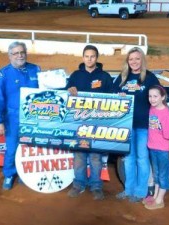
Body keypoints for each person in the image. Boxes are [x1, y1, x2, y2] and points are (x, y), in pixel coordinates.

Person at [0, 41, 41, 190]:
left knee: (29, 147)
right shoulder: (2, 75)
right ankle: (9, 174)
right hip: (12, 118)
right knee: (12, 148)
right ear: (9, 55)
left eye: (22, 52)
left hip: (33, 117)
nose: (20, 56)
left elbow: (46, 89)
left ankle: (24, 174)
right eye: (16, 53)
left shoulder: (35, 70)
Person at [66, 45, 113, 201]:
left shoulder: (105, 76)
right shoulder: (75, 75)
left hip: (98, 123)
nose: (89, 59)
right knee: (79, 155)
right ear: (83, 57)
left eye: (92, 56)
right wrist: (69, 91)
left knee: (95, 157)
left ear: (97, 58)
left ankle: (96, 186)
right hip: (78, 122)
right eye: (87, 56)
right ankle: (78, 184)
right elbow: (67, 93)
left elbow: (113, 99)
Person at [113, 47, 160, 203]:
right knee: (129, 158)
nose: (134, 61)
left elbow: (159, 98)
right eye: (131, 59)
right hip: (126, 125)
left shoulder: (150, 78)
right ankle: (129, 190)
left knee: (142, 159)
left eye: (137, 58)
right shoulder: (122, 77)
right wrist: (118, 97)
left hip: (143, 126)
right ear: (127, 61)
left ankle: (140, 192)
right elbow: (111, 97)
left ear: (142, 60)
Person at [143, 85, 169, 210]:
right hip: (153, 147)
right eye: (150, 96)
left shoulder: (165, 114)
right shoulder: (152, 108)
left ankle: (160, 200)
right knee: (156, 174)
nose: (152, 99)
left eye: (155, 96)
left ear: (162, 97)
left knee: (162, 175)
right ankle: (155, 195)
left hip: (163, 150)